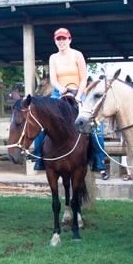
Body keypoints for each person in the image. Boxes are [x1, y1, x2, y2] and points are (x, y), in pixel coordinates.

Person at [32, 27, 108, 179]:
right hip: (58, 92)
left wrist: (79, 95)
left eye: (64, 39)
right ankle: (39, 157)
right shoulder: (53, 57)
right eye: (58, 39)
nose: (61, 42)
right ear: (55, 41)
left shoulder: (77, 55)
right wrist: (61, 89)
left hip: (77, 92)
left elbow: (83, 78)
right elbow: (53, 79)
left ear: (69, 40)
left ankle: (99, 162)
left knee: (94, 126)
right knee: (41, 121)